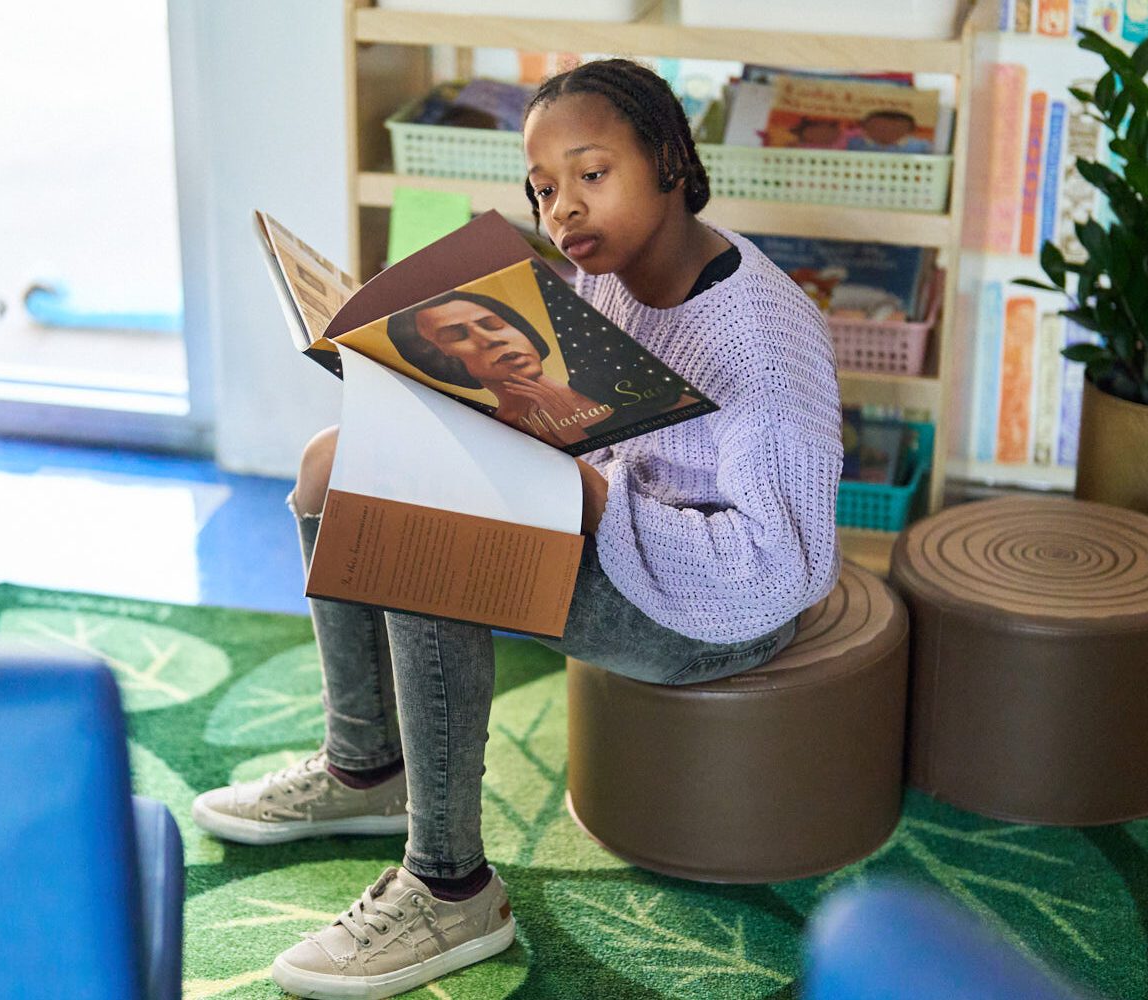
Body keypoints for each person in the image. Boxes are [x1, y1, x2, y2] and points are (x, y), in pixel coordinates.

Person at [194, 57, 843, 1000]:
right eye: (544, 189)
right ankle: (366, 765)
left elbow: (777, 570)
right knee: (331, 463)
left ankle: (450, 887)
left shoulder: (759, 344)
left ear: (668, 159)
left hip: (710, 607)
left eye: (591, 174)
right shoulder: (617, 270)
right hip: (612, 523)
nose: (565, 211)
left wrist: (587, 497)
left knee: (430, 528)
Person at [387, 289, 629, 449]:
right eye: (457, 335)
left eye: (493, 324)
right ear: (439, 359)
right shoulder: (490, 438)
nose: (490, 340)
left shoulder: (612, 384)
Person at [844, 110, 932, 153]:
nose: (887, 129)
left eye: (895, 126)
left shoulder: (921, 147)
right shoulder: (853, 144)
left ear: (910, 129)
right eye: (879, 126)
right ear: (865, 127)